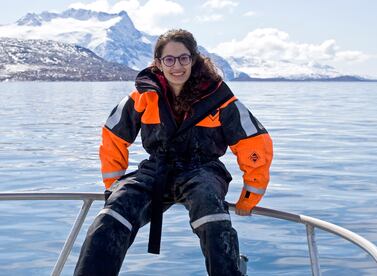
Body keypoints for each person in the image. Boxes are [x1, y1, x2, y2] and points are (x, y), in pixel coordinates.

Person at [74, 29, 273, 276]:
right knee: (112, 214)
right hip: (155, 169)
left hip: (203, 170)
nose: (176, 66)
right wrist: (113, 184)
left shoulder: (219, 98)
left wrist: (250, 195)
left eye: (183, 58)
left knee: (211, 215)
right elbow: (113, 136)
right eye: (169, 59)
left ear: (194, 59)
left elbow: (254, 142)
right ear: (158, 63)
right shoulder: (143, 96)